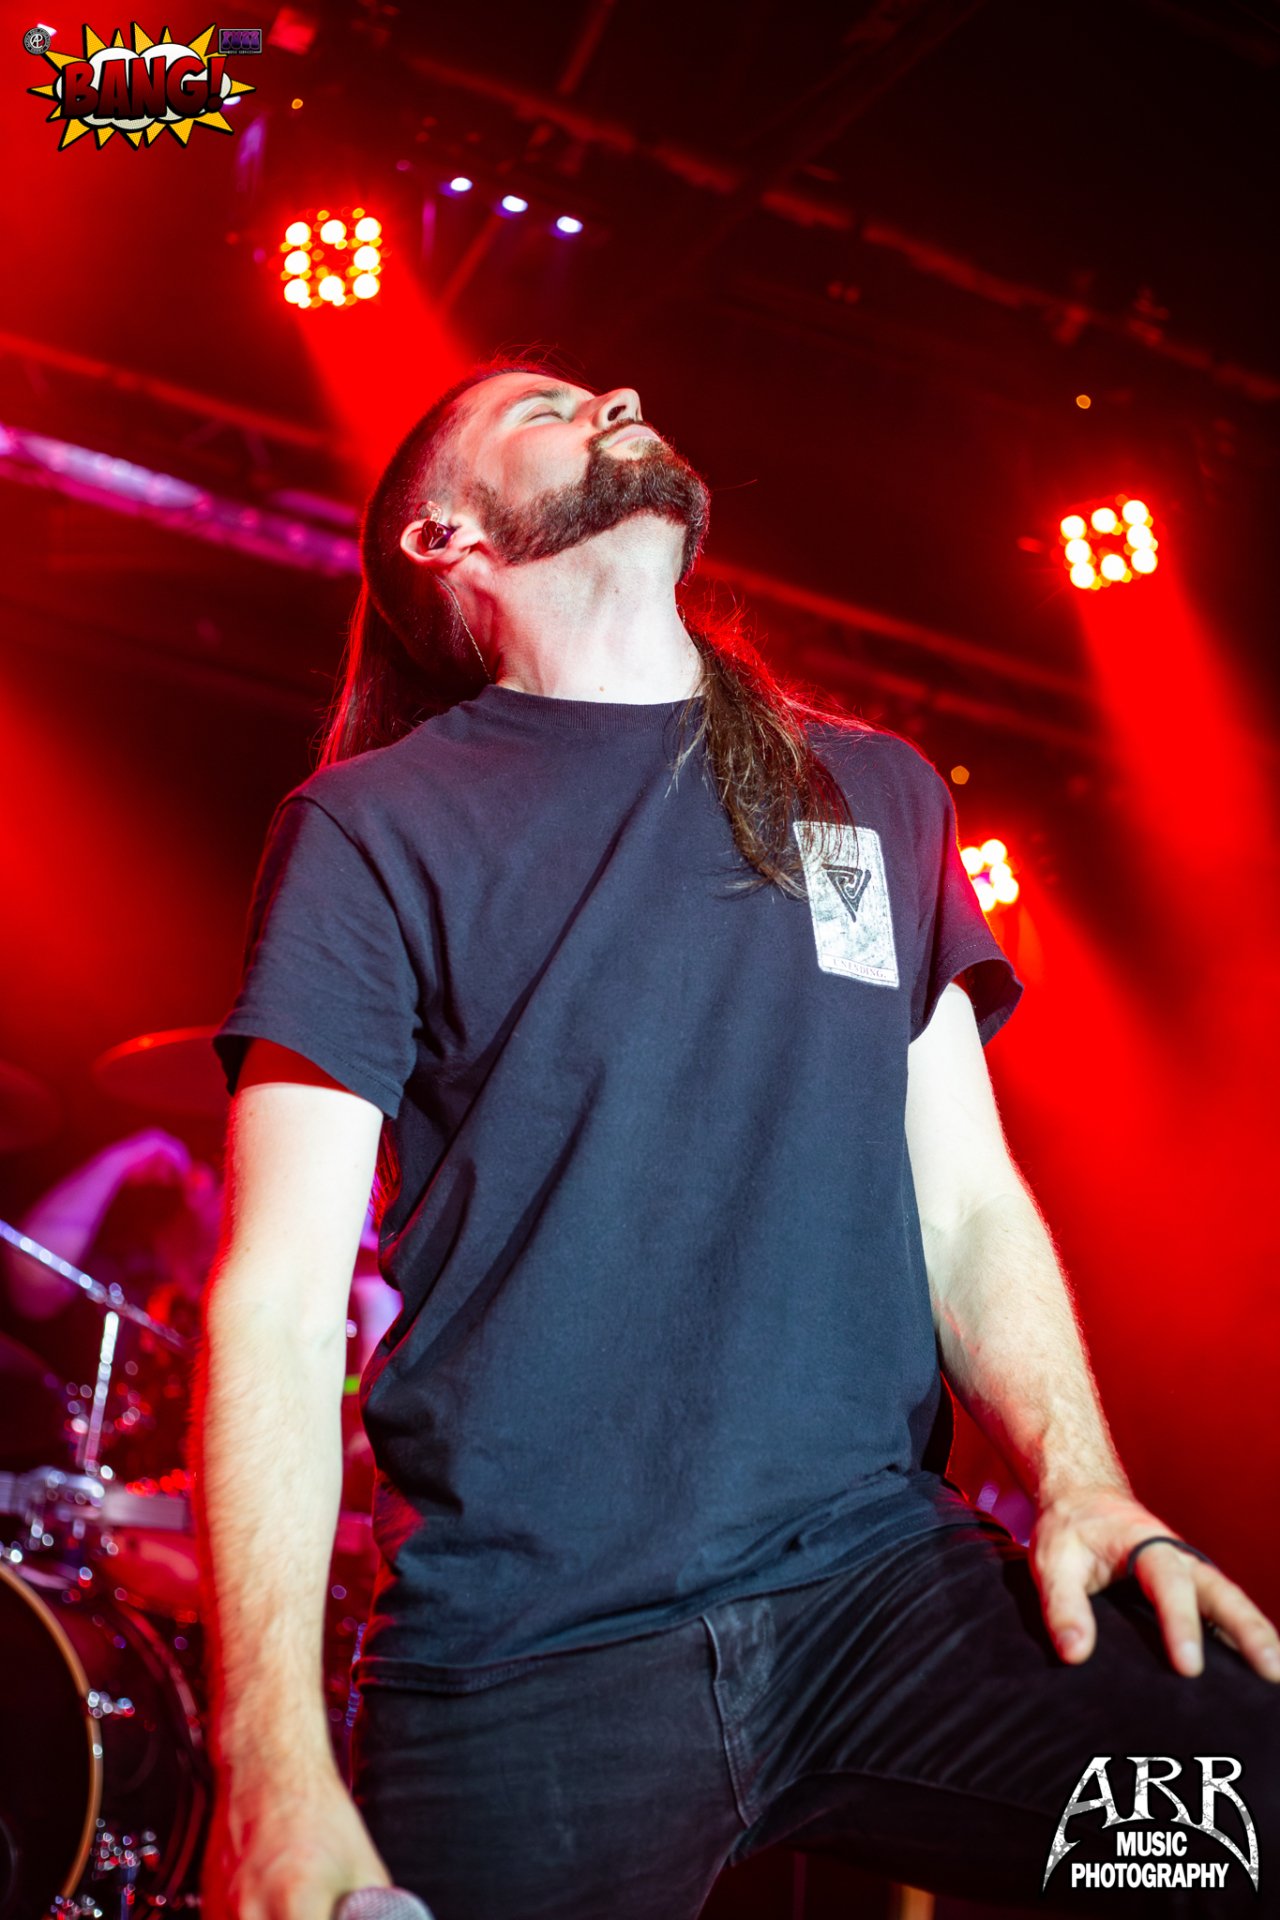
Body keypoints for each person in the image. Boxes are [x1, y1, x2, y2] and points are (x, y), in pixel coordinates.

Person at [194, 356, 1279, 1920]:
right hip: (535, 1643)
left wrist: (1086, 1483)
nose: (610, 396)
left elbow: (965, 1202)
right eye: (543, 409)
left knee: (1241, 1825)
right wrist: (270, 1767)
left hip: (879, 1601)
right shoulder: (374, 827)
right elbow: (284, 1304)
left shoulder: (864, 794)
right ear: (445, 539)